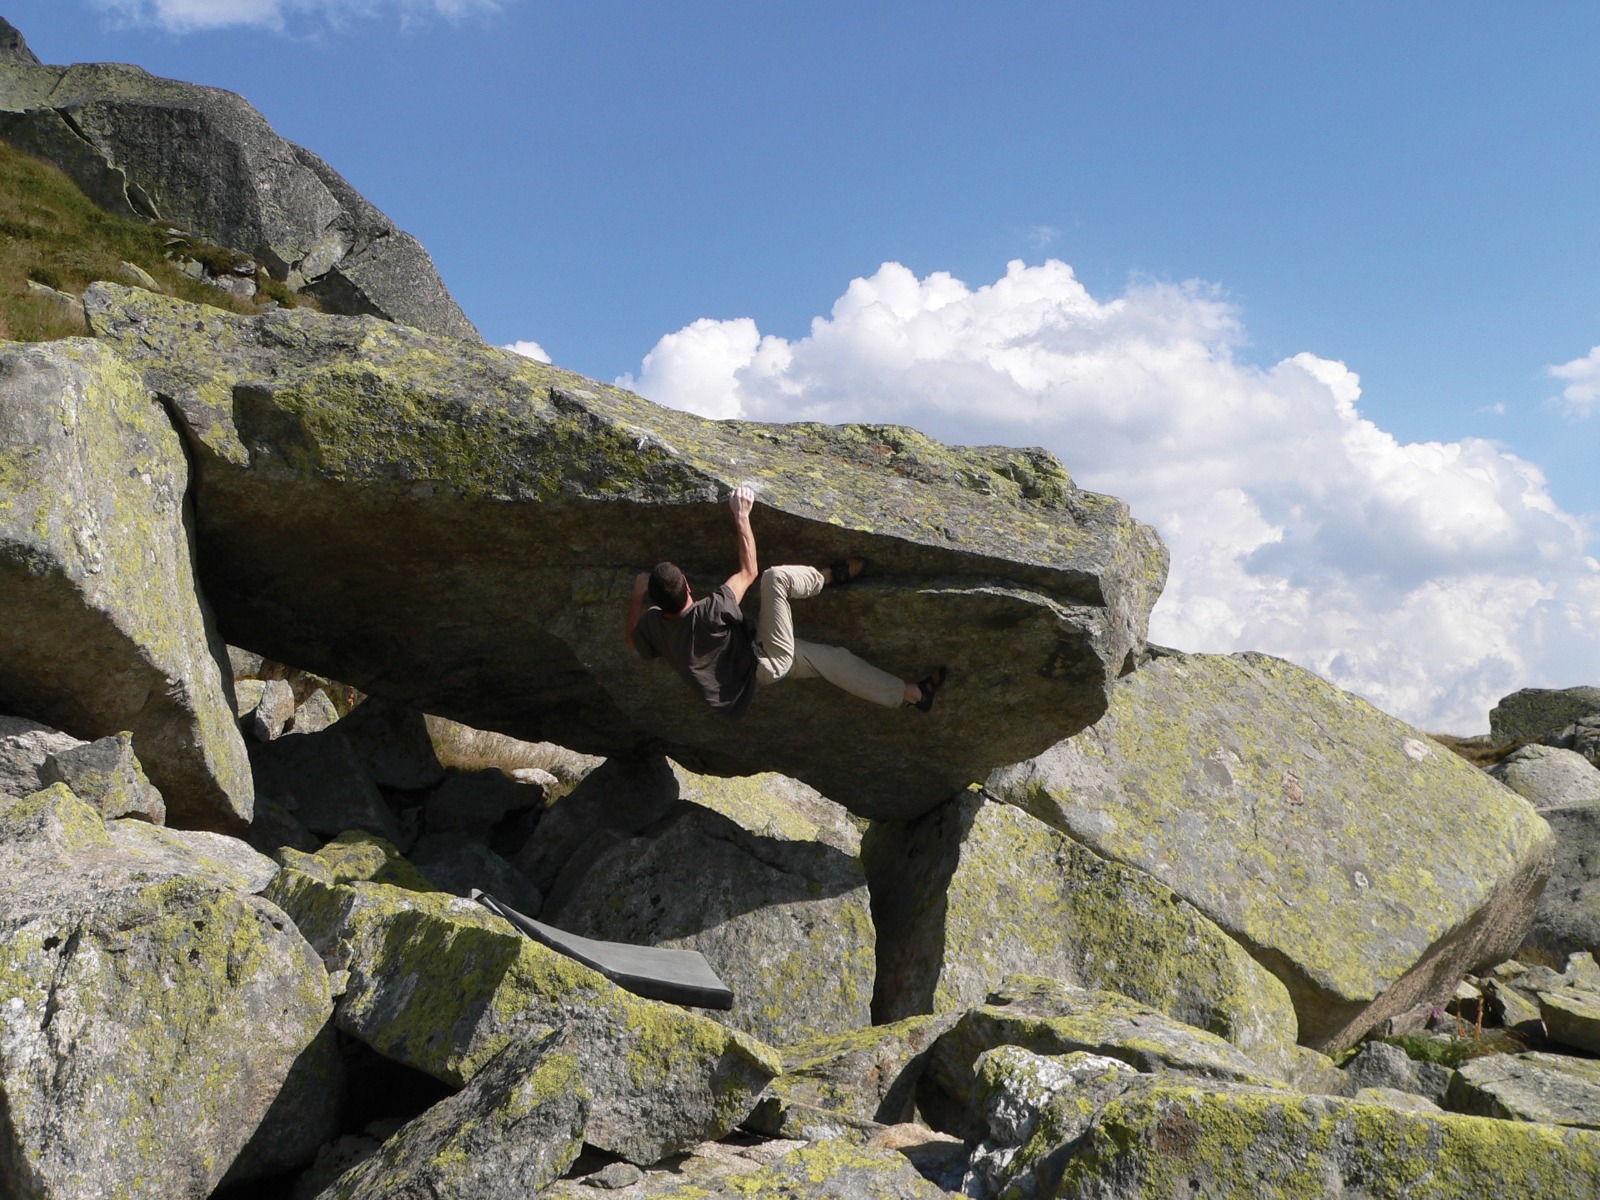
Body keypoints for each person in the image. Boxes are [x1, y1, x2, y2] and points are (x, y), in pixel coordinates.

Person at [627, 485, 946, 717]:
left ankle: (914, 695)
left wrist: (638, 597)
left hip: (752, 672)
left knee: (836, 661)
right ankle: (826, 578)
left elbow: (632, 643)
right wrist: (741, 516)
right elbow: (749, 570)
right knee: (775, 578)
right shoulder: (710, 612)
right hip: (766, 659)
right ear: (689, 588)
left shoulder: (653, 625)